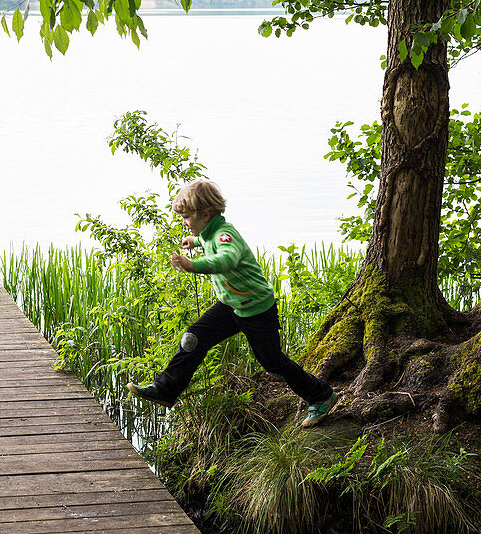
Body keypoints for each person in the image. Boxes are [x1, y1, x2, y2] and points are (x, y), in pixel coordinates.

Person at [127, 180, 340, 428]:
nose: (184, 222)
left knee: (272, 362)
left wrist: (192, 265)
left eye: (186, 217)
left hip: (257, 309)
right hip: (231, 306)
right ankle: (166, 389)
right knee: (193, 338)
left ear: (205, 214)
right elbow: (210, 241)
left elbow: (226, 258)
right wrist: (195, 241)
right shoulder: (209, 233)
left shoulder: (224, 235)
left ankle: (321, 395)